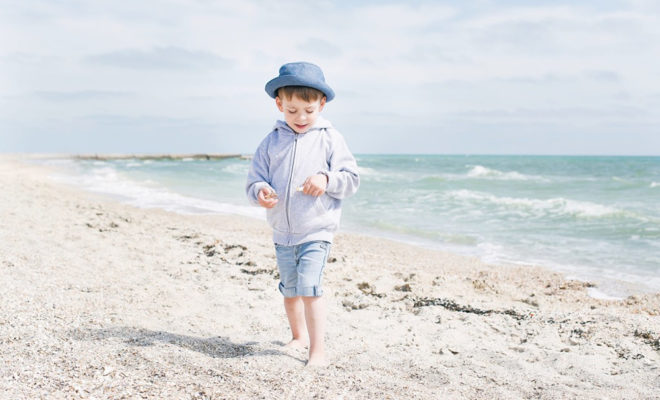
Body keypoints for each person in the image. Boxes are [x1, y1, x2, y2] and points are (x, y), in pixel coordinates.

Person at [246, 62, 359, 366]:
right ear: (279, 103)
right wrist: (260, 191)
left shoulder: (330, 138)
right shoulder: (271, 141)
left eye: (308, 110)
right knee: (290, 289)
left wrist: (326, 179)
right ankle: (298, 337)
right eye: (292, 110)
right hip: (282, 231)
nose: (300, 118)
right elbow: (254, 179)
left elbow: (351, 179)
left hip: (316, 230)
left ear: (321, 104)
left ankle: (317, 351)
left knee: (310, 288)